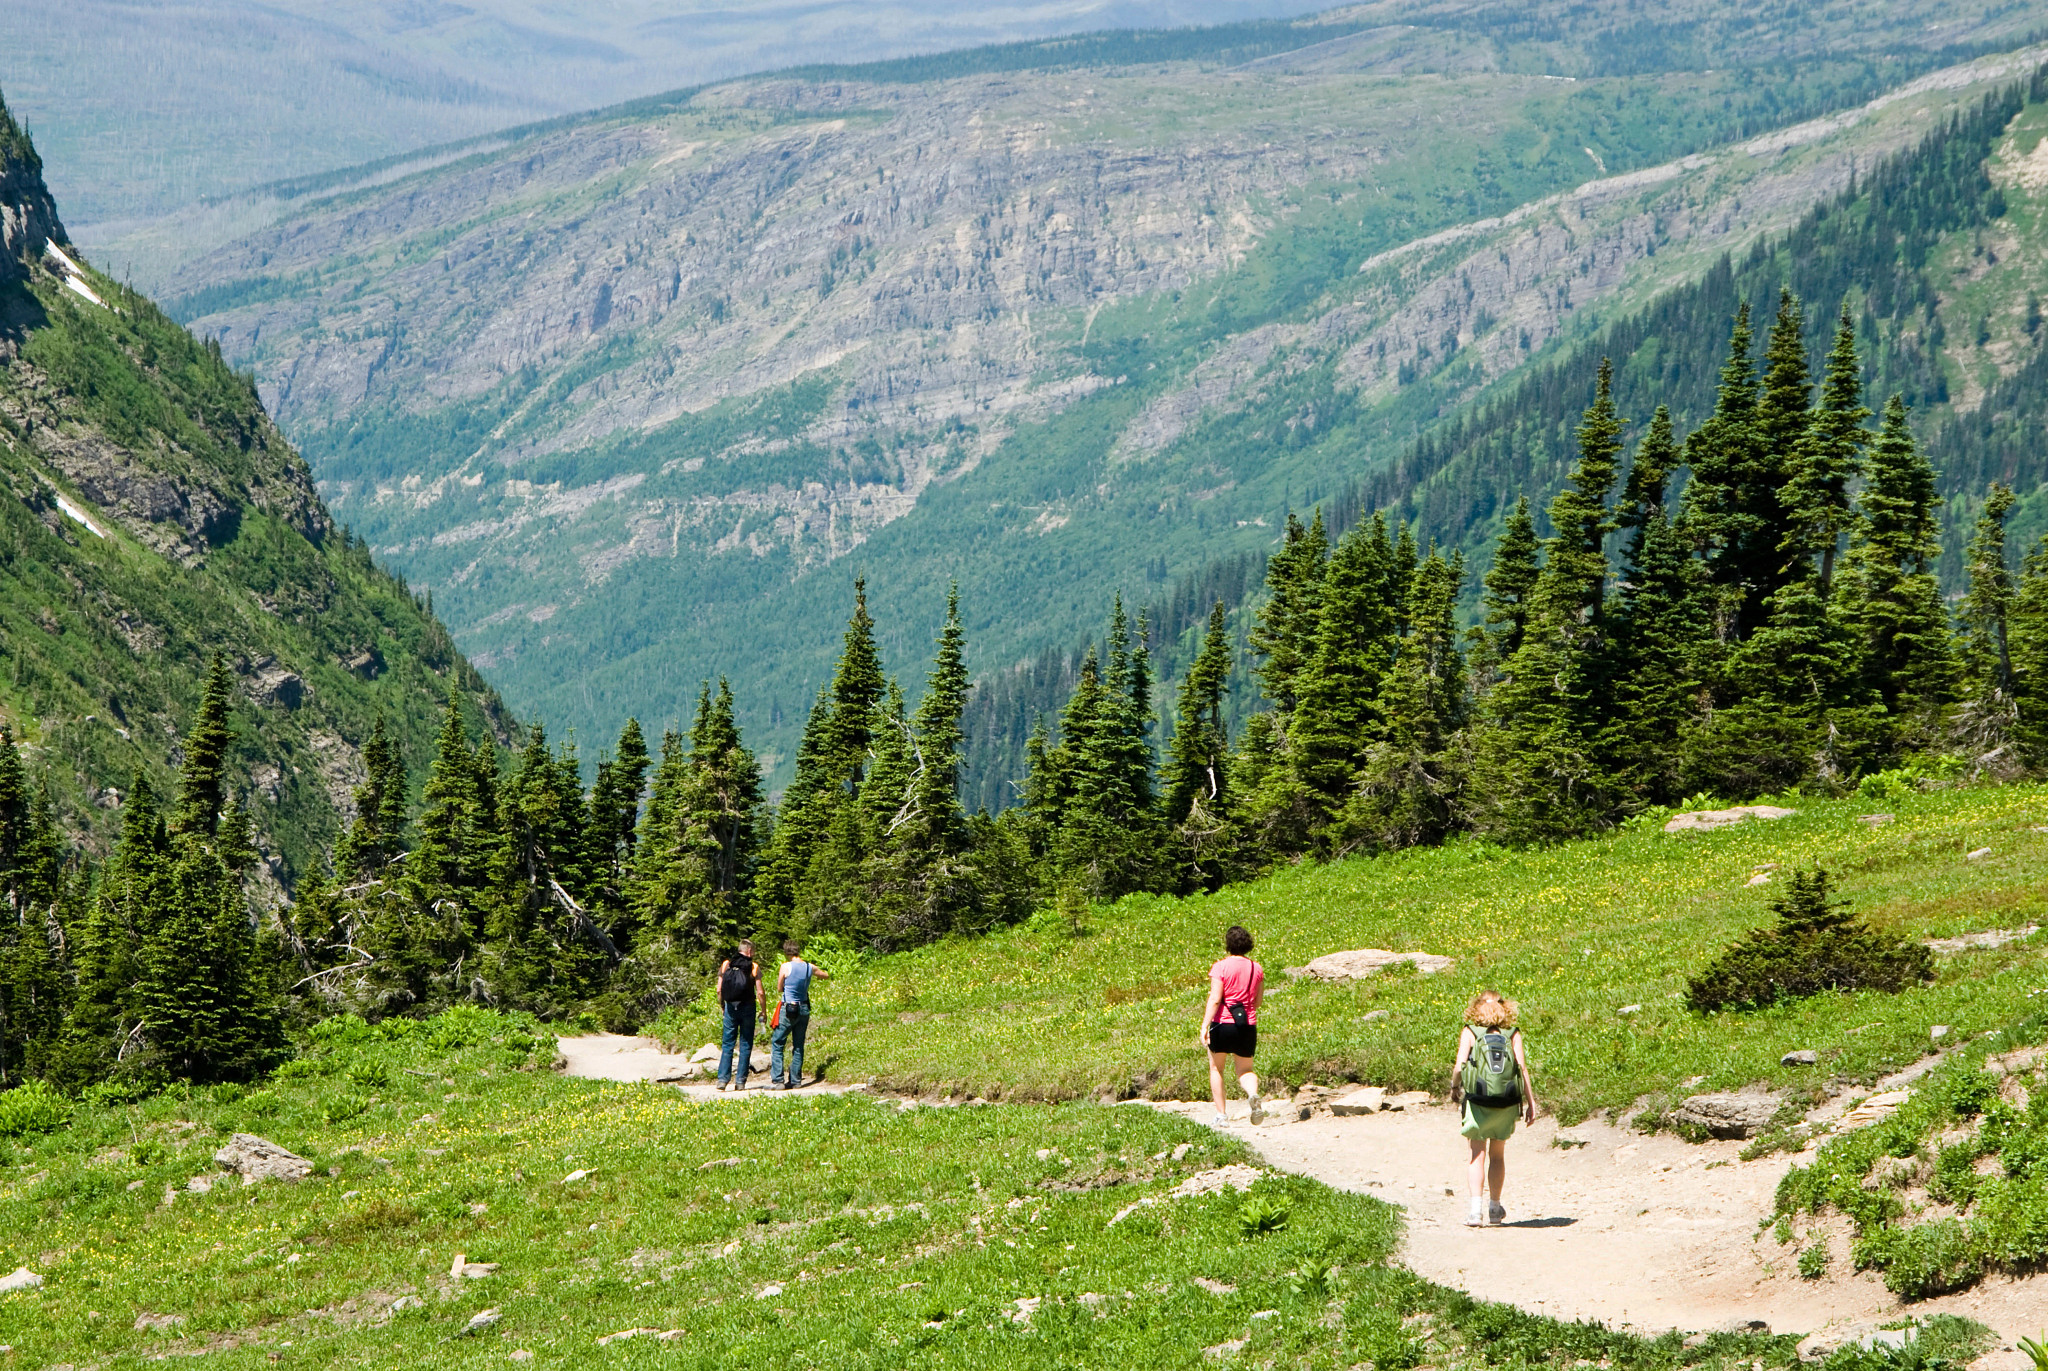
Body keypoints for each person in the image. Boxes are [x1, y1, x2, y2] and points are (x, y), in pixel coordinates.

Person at [1450, 989, 1538, 1227]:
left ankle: (1475, 1211)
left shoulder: (1470, 1031)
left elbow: (1459, 1066)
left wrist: (1454, 1087)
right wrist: (1530, 1102)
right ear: (1504, 1008)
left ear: (1476, 1008)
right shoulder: (1512, 1033)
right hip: (1506, 1102)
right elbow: (1522, 1068)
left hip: (1478, 1101)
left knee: (1476, 1155)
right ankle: (1495, 1209)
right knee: (1497, 1155)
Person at [1199, 924, 1265, 1125]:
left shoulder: (1220, 967)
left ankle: (1221, 1115)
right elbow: (1258, 1001)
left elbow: (1215, 998)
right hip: (1246, 1024)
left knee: (1216, 1069)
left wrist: (1204, 1025)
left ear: (1228, 944)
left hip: (1222, 1024)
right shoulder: (1256, 968)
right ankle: (1252, 1094)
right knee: (1245, 1070)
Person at [769, 938, 830, 1090]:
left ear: (786, 952)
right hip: (804, 1008)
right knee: (798, 1045)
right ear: (798, 951)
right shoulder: (809, 967)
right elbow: (825, 975)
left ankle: (778, 1081)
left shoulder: (785, 966)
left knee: (778, 1043)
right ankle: (796, 1080)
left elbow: (779, 988)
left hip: (789, 1007)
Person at [715, 939, 767, 1090]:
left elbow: (719, 990)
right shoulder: (754, 967)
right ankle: (740, 1082)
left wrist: (723, 1006)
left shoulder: (726, 964)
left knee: (727, 1044)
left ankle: (722, 1080)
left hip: (731, 1007)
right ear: (749, 951)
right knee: (745, 1043)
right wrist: (763, 1010)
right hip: (748, 1007)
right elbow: (760, 992)